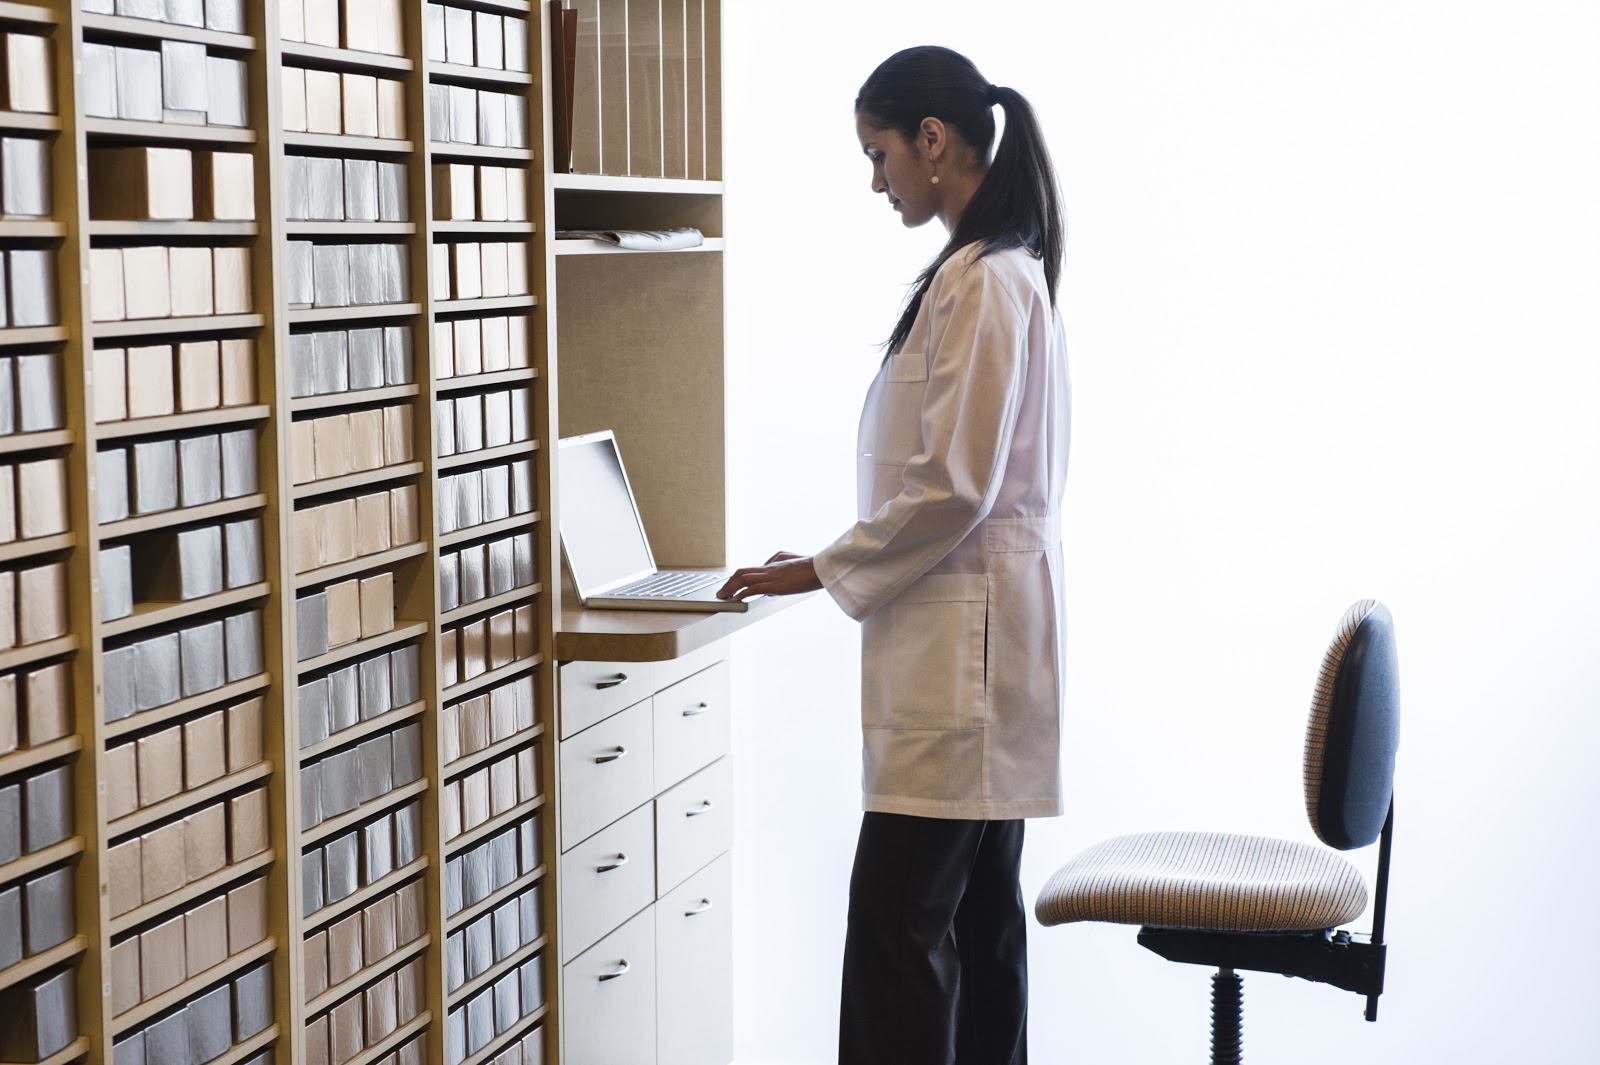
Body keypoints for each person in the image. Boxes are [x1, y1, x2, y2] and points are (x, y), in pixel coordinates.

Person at [717, 44, 1068, 1065]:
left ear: (932, 138)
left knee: (898, 933)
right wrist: (830, 561)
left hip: (969, 663)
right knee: (971, 928)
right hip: (977, 652)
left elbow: (952, 485)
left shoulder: (989, 282)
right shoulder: (987, 271)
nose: (876, 181)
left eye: (879, 155)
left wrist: (819, 566)